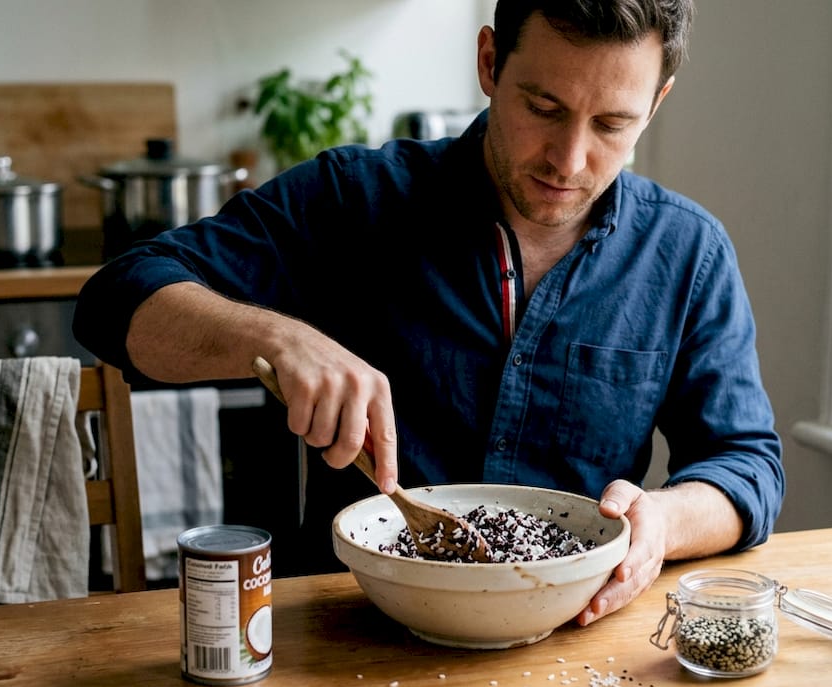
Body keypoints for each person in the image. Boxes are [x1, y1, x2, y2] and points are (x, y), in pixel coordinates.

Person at [74, 0, 784, 626]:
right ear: (488, 62)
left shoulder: (687, 251)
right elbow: (116, 298)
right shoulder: (356, 200)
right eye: (543, 107)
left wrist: (662, 519)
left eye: (611, 124)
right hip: (342, 627)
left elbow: (746, 464)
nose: (569, 159)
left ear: (655, 103)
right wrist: (275, 337)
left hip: (573, 645)